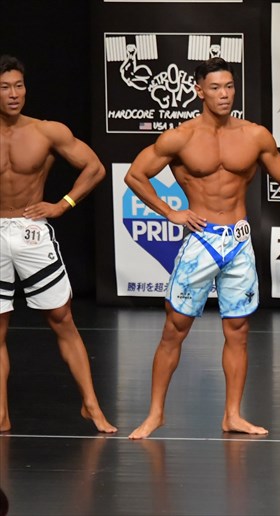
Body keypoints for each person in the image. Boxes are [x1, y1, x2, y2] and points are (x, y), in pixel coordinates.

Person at [125, 57, 280, 439]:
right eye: (215, 88)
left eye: (229, 86)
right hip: (201, 240)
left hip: (239, 242)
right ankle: (155, 413)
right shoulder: (180, 137)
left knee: (238, 329)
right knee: (175, 328)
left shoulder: (255, 135)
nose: (224, 94)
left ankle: (233, 415)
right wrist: (170, 212)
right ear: (199, 91)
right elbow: (135, 175)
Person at [0, 55, 116, 433]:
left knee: (62, 318)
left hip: (31, 230)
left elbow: (94, 167)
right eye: (5, 87)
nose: (13, 94)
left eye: (18, 86)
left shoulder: (47, 131)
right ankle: (1, 415)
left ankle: (91, 406)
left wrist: (62, 205)